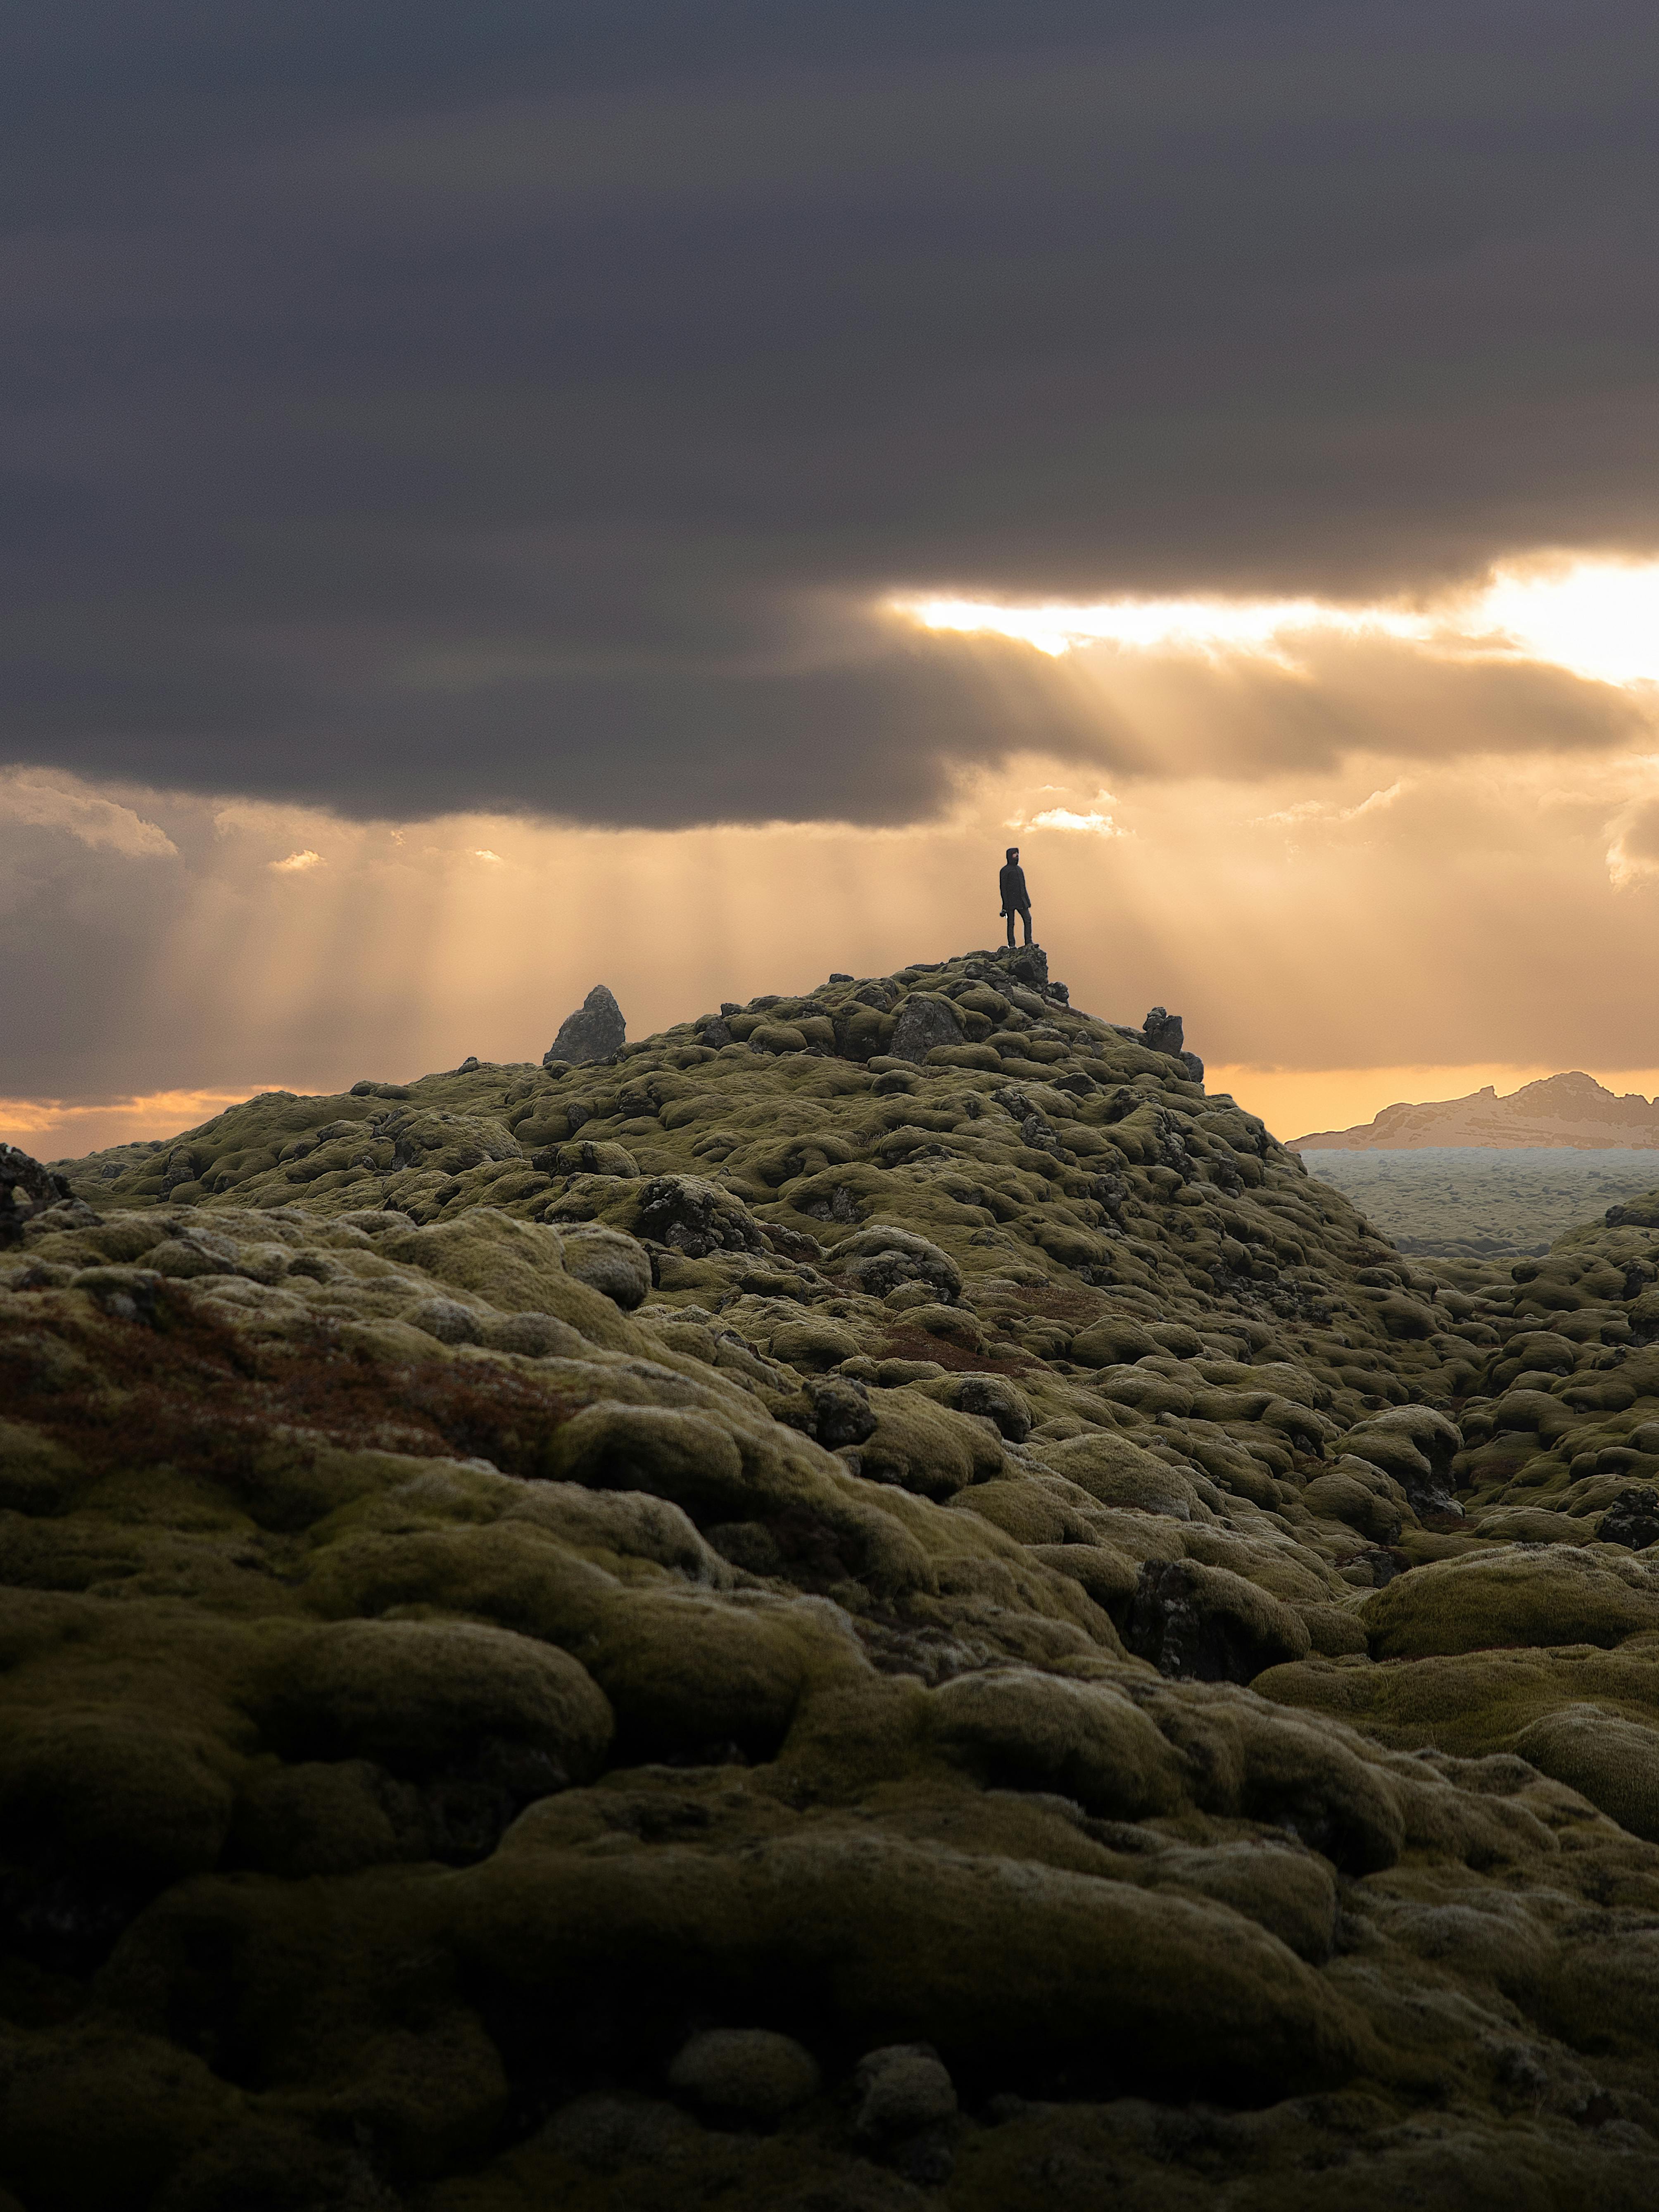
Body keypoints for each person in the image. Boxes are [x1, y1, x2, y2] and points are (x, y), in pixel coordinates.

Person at [999, 846, 1033, 947]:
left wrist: (1027, 901)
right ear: (1010, 856)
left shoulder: (1019, 870)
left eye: (1018, 853)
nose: (1017, 856)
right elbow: (1003, 889)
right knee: (1011, 924)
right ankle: (1012, 945)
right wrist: (1005, 905)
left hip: (1021, 901)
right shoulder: (1005, 871)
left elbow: (1023, 887)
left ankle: (1029, 942)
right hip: (1010, 902)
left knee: (1028, 919)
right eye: (1015, 854)